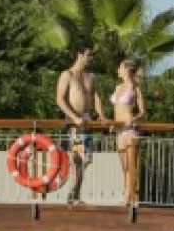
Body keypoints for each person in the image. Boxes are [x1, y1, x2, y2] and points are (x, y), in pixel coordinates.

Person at [55, 46, 106, 204]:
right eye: (88, 55)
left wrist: (102, 115)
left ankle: (74, 192)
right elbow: (60, 99)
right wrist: (74, 118)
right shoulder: (67, 74)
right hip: (74, 122)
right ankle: (74, 194)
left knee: (86, 159)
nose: (91, 58)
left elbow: (96, 97)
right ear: (79, 55)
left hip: (86, 121)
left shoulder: (90, 76)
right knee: (78, 158)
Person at [110, 60, 146, 205]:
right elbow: (116, 109)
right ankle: (128, 194)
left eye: (119, 67)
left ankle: (129, 197)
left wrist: (134, 119)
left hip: (130, 129)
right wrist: (113, 123)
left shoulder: (135, 88)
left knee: (131, 165)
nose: (117, 70)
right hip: (119, 129)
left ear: (126, 70)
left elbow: (142, 111)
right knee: (124, 165)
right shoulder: (118, 87)